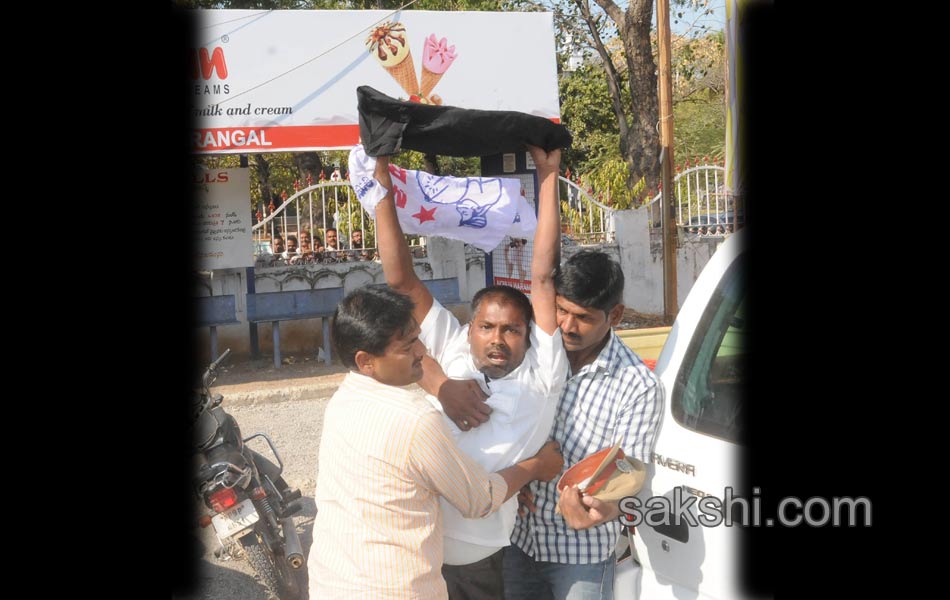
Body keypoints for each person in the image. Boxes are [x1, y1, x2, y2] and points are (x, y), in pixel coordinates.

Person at [370, 144, 569, 599]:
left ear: (529, 335)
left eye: (511, 330)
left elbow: (542, 277)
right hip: (415, 544)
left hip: (476, 557)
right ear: (470, 327)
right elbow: (401, 281)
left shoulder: (544, 373)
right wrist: (380, 181)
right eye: (487, 327)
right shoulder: (451, 343)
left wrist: (548, 175)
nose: (497, 339)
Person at [307, 286, 564, 599]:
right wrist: (534, 466)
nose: (421, 353)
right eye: (408, 346)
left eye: (417, 339)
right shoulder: (416, 418)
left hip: (332, 580)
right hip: (395, 587)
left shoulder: (343, 400)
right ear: (366, 361)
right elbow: (479, 499)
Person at [503, 250, 664, 600]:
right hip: (515, 539)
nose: (567, 326)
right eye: (561, 310)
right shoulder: (534, 353)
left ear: (616, 315)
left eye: (583, 317)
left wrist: (602, 511)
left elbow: (630, 478)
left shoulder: (637, 386)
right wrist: (514, 476)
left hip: (580, 557)